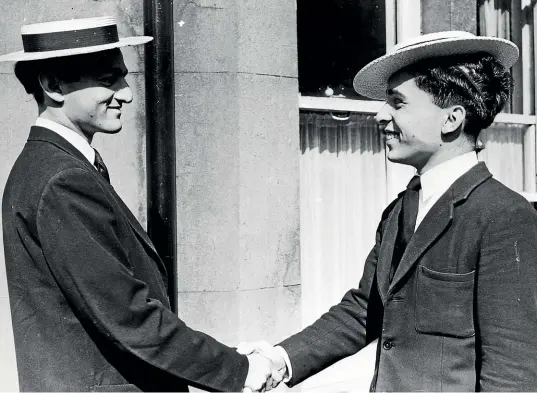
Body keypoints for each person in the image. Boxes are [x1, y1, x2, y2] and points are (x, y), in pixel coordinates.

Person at [238, 31, 537, 391]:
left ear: (451, 120)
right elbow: (366, 309)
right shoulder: (401, 208)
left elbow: (513, 374)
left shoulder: (504, 216)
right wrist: (279, 360)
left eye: (398, 103)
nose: (380, 115)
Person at [1, 16, 280, 392]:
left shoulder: (52, 166)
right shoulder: (63, 179)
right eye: (108, 79)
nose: (127, 93)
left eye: (124, 76)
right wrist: (238, 369)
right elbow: (129, 316)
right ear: (53, 86)